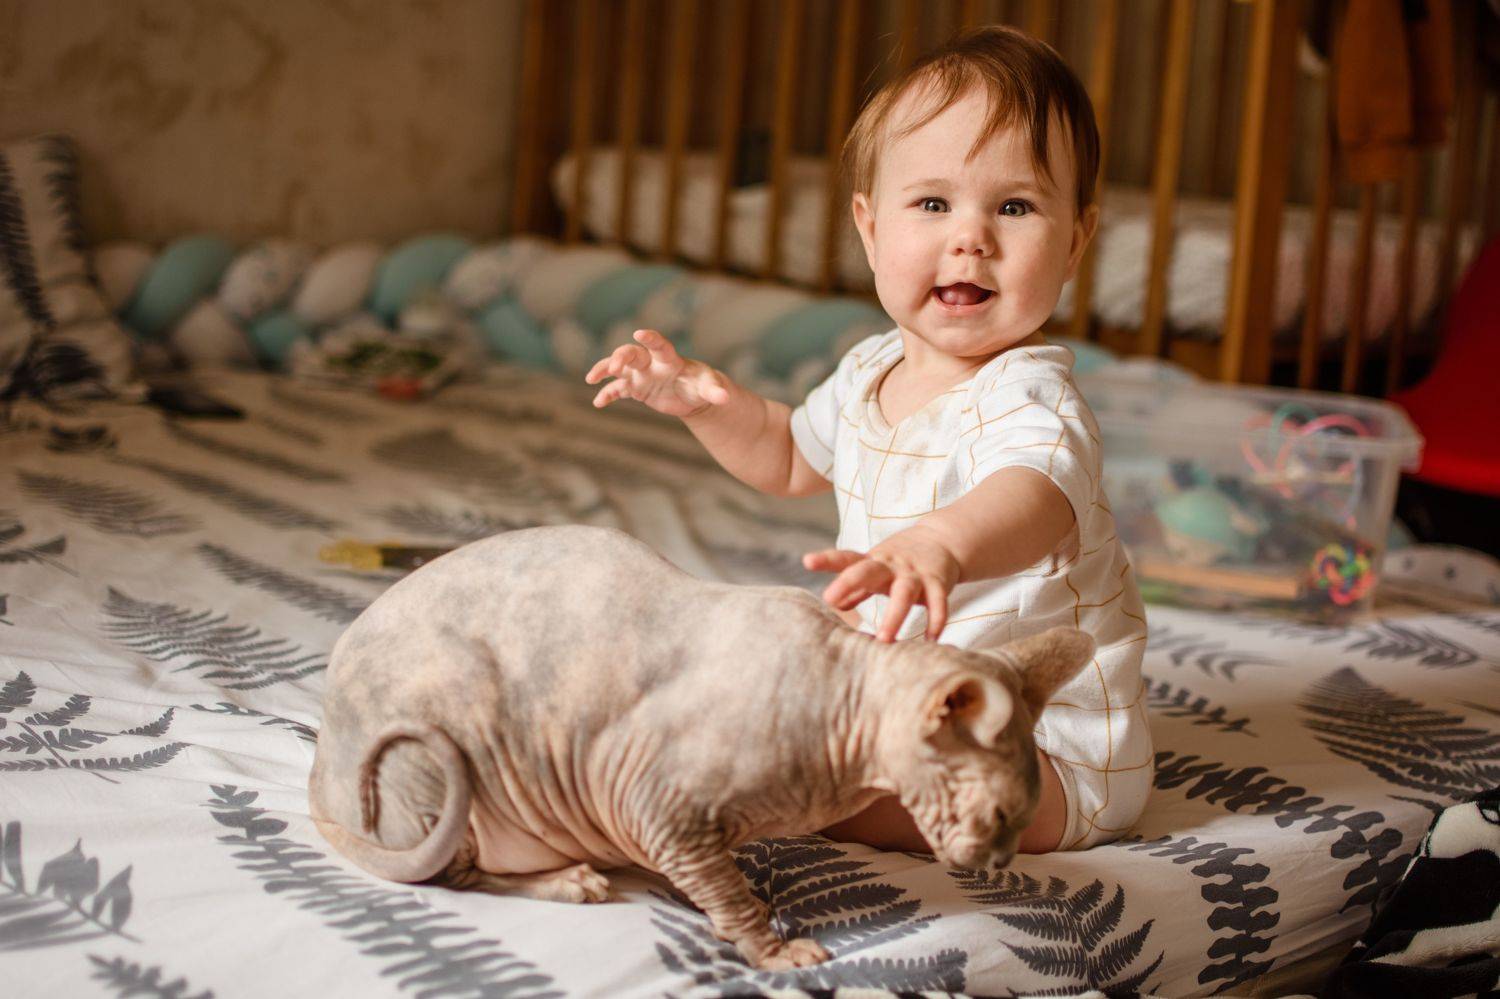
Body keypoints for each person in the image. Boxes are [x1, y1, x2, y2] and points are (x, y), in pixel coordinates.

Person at [584, 25, 1150, 853]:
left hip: (1039, 748)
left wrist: (940, 545)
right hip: (905, 703)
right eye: (933, 204)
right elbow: (788, 454)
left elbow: (1032, 495)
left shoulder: (1032, 398)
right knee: (763, 700)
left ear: (1074, 242)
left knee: (810, 789)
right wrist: (705, 406)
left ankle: (694, 798)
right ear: (870, 226)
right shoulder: (868, 369)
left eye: (1015, 207)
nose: (971, 237)